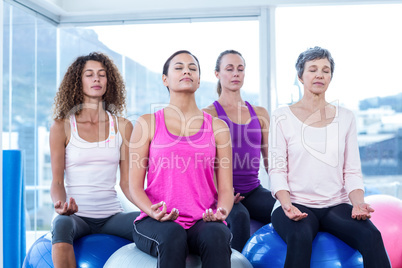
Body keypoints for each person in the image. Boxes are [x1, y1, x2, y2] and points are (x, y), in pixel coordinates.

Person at [268, 46, 390, 268]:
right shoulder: (281, 116)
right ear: (300, 76)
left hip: (335, 204)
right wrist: (286, 204)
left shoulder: (345, 117)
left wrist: (358, 204)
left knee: (372, 236)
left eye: (325, 70)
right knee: (299, 238)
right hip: (296, 203)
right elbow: (277, 169)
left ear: (330, 77)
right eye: (312, 69)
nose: (319, 75)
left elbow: (351, 171)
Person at [129, 50, 233, 268]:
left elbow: (225, 189)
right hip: (155, 221)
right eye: (179, 67)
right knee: (173, 234)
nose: (187, 70)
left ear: (198, 80)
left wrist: (221, 211)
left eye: (192, 68)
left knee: (217, 235)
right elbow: (134, 186)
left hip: (201, 220)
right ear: (165, 79)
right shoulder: (147, 123)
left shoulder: (218, 127)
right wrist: (152, 212)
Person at [50, 52, 139, 268]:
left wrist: (149, 209)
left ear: (109, 82)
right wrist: (60, 205)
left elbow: (127, 183)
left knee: (152, 225)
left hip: (112, 215)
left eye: (102, 74)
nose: (96, 79)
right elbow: (57, 181)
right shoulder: (61, 127)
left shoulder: (123, 126)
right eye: (89, 74)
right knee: (61, 224)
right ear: (78, 82)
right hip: (76, 216)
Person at [202, 50, 275, 251]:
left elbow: (270, 160)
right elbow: (203, 163)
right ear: (217, 74)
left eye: (240, 69)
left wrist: (282, 193)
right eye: (229, 69)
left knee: (285, 210)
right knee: (240, 217)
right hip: (222, 192)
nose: (236, 73)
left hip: (253, 190)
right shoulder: (208, 114)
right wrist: (220, 194)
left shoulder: (260, 114)